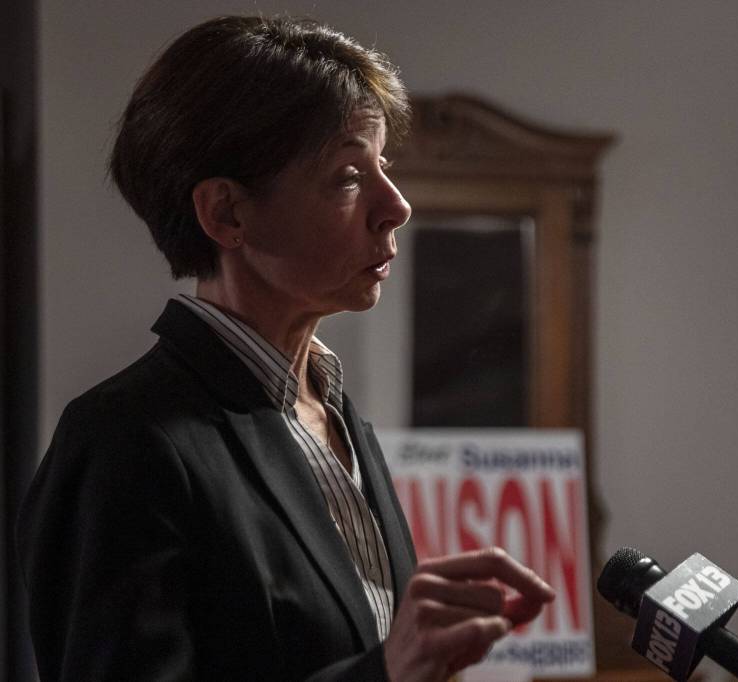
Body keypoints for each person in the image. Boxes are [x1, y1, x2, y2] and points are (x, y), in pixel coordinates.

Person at [17, 15, 553, 682]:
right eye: (348, 175)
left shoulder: (336, 415)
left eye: (383, 165)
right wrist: (389, 669)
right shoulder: (121, 441)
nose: (398, 205)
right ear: (227, 214)